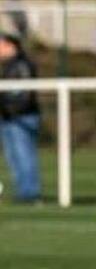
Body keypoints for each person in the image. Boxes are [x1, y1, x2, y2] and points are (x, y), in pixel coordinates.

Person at [0, 31, 42, 203]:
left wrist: (9, 109)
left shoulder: (22, 65)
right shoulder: (8, 66)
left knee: (24, 155)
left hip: (20, 117)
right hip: (8, 117)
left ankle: (30, 193)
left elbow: (22, 95)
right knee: (13, 156)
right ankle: (23, 191)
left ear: (11, 45)